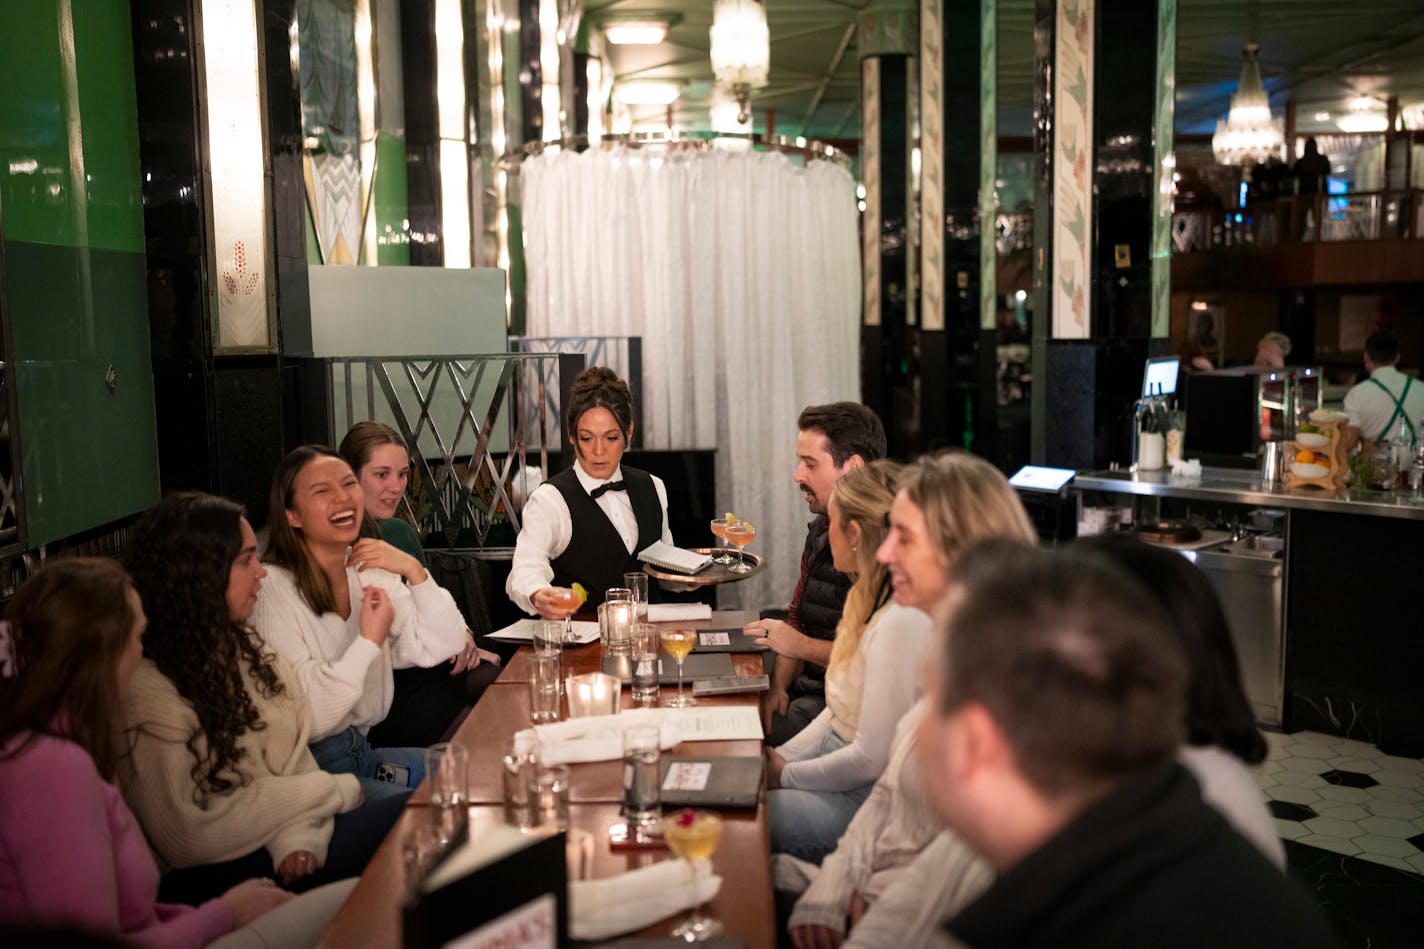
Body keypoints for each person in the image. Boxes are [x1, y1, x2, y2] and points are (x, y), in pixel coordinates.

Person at [839, 534, 1292, 948]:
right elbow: (934, 875)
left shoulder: (1164, 828)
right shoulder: (1105, 804)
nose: (916, 724)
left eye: (934, 699)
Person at [0, 557, 347, 948]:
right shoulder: (52, 769)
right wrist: (226, 913)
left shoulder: (64, 745)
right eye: (137, 638)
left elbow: (135, 916)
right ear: (104, 656)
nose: (141, 655)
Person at [782, 451, 1036, 943]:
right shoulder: (947, 660)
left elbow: (962, 874)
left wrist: (872, 907)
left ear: (962, 551)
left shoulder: (1003, 698)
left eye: (905, 538)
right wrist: (834, 887)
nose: (883, 552)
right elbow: (885, 799)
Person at [118, 493, 409, 906]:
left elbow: (292, 760)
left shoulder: (244, 650)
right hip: (215, 877)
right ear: (199, 575)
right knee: (426, 819)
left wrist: (299, 837)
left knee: (439, 813)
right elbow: (186, 835)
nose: (261, 573)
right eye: (245, 561)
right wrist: (330, 791)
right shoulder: (147, 688)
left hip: (293, 837)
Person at [253, 445, 469, 792]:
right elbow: (312, 718)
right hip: (307, 772)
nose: (343, 498)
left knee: (477, 775)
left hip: (362, 752)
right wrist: (368, 642)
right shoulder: (270, 588)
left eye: (348, 484)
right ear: (291, 515)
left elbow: (443, 644)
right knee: (433, 812)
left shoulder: (367, 569)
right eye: (323, 491)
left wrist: (414, 571)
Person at [764, 461, 930, 864]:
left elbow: (870, 759)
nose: (825, 533)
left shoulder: (899, 621)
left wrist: (785, 773)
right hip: (838, 772)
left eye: (832, 523)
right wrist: (780, 759)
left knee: (742, 823)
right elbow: (837, 714)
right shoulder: (863, 597)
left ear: (854, 533)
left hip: (863, 802)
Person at [339, 421, 500, 748]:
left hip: (432, 659)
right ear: (349, 476)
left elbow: (432, 599)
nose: (396, 487)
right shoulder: (339, 543)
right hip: (388, 680)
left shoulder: (399, 531)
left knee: (498, 685)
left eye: (402, 474)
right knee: (482, 717)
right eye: (382, 475)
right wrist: (445, 639)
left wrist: (465, 634)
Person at [747, 402, 887, 746]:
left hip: (845, 708)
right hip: (806, 691)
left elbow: (872, 659)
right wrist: (778, 686)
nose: (797, 475)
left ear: (852, 468)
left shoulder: (884, 549)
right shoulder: (820, 528)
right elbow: (796, 620)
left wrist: (801, 647)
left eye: (810, 464)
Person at [506, 366, 673, 616]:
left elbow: (666, 567)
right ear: (571, 436)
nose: (598, 451)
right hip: (583, 646)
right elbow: (525, 570)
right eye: (586, 438)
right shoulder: (550, 500)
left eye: (611, 438)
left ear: (628, 432)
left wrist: (693, 576)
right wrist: (538, 594)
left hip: (649, 641)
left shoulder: (653, 486)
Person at [1342, 330, 1423, 456]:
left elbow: (1348, 441)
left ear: (1366, 357)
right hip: (1417, 470)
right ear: (1397, 357)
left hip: (1376, 472)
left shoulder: (1356, 394)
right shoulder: (1421, 388)